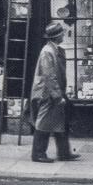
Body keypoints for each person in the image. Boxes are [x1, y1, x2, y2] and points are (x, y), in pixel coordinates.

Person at [29, 21, 80, 163]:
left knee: (62, 121)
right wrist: (57, 96)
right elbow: (49, 75)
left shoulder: (56, 50)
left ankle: (64, 152)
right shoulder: (47, 52)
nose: (63, 34)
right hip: (48, 93)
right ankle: (38, 154)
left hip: (56, 91)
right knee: (44, 123)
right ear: (56, 36)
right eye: (61, 33)